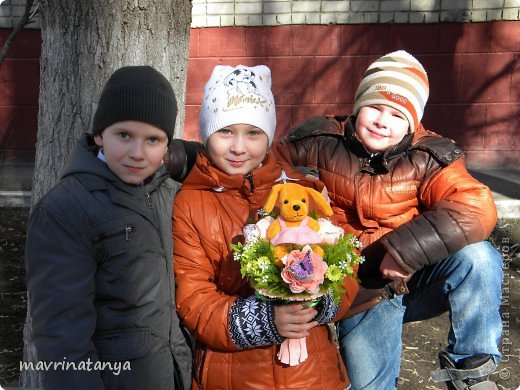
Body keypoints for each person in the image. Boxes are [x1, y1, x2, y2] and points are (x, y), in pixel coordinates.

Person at [274, 51, 503, 390]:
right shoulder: (317, 142)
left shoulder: (428, 156)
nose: (383, 120)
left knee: (479, 258)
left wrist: (405, 251)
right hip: (353, 290)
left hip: (409, 279)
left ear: (412, 124)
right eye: (375, 107)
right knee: (372, 386)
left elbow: (476, 206)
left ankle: (471, 372)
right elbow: (261, 175)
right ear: (357, 106)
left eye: (397, 114)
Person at [172, 64, 359, 389]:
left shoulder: (302, 190)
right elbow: (194, 298)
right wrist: (264, 320)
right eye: (225, 131)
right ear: (205, 134)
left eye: (253, 133)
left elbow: (347, 271)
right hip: (233, 374)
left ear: (269, 135)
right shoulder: (190, 204)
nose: (239, 147)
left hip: (312, 373)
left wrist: (318, 299)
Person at [25, 66, 193, 389]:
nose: (137, 153)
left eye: (152, 140)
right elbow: (63, 346)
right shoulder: (65, 211)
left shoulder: (165, 190)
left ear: (167, 148)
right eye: (124, 135)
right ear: (100, 134)